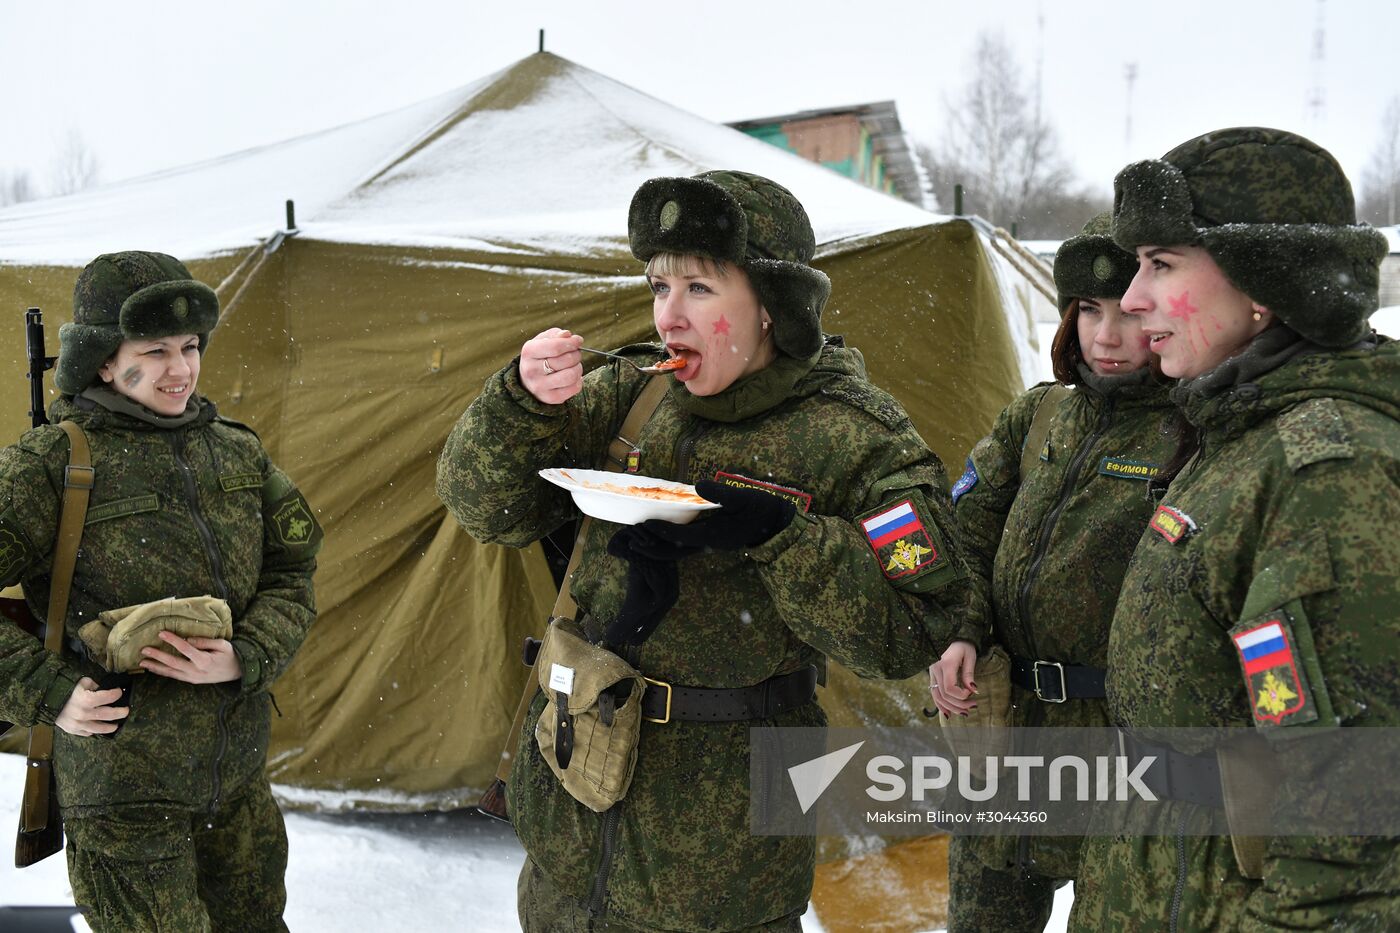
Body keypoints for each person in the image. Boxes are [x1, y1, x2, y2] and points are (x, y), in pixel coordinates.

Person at [437, 170, 976, 932]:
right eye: (660, 288)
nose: (669, 316)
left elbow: (916, 624)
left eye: (700, 289)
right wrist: (519, 402)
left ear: (772, 306)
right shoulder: (635, 395)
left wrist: (780, 535)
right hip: (572, 838)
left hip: (722, 874)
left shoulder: (856, 435)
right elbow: (484, 507)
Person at [1068, 128, 1399, 930]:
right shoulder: (1242, 435)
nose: (1134, 297)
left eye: (1163, 264)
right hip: (1159, 880)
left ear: (1265, 284)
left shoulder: (1325, 470)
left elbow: (1351, 836)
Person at [0, 252, 322, 932]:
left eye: (190, 346)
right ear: (105, 362)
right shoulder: (55, 463)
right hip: (124, 800)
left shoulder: (235, 451)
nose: (182, 369)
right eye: (155, 350)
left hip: (236, 784)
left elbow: (293, 573)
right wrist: (50, 693)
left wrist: (248, 652)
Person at [928, 213, 1173, 931]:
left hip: (1122, 745)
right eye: (1088, 311)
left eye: (1128, 311)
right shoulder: (1039, 415)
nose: (1107, 335)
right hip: (1004, 727)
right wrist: (963, 629)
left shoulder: (1194, 429)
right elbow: (963, 531)